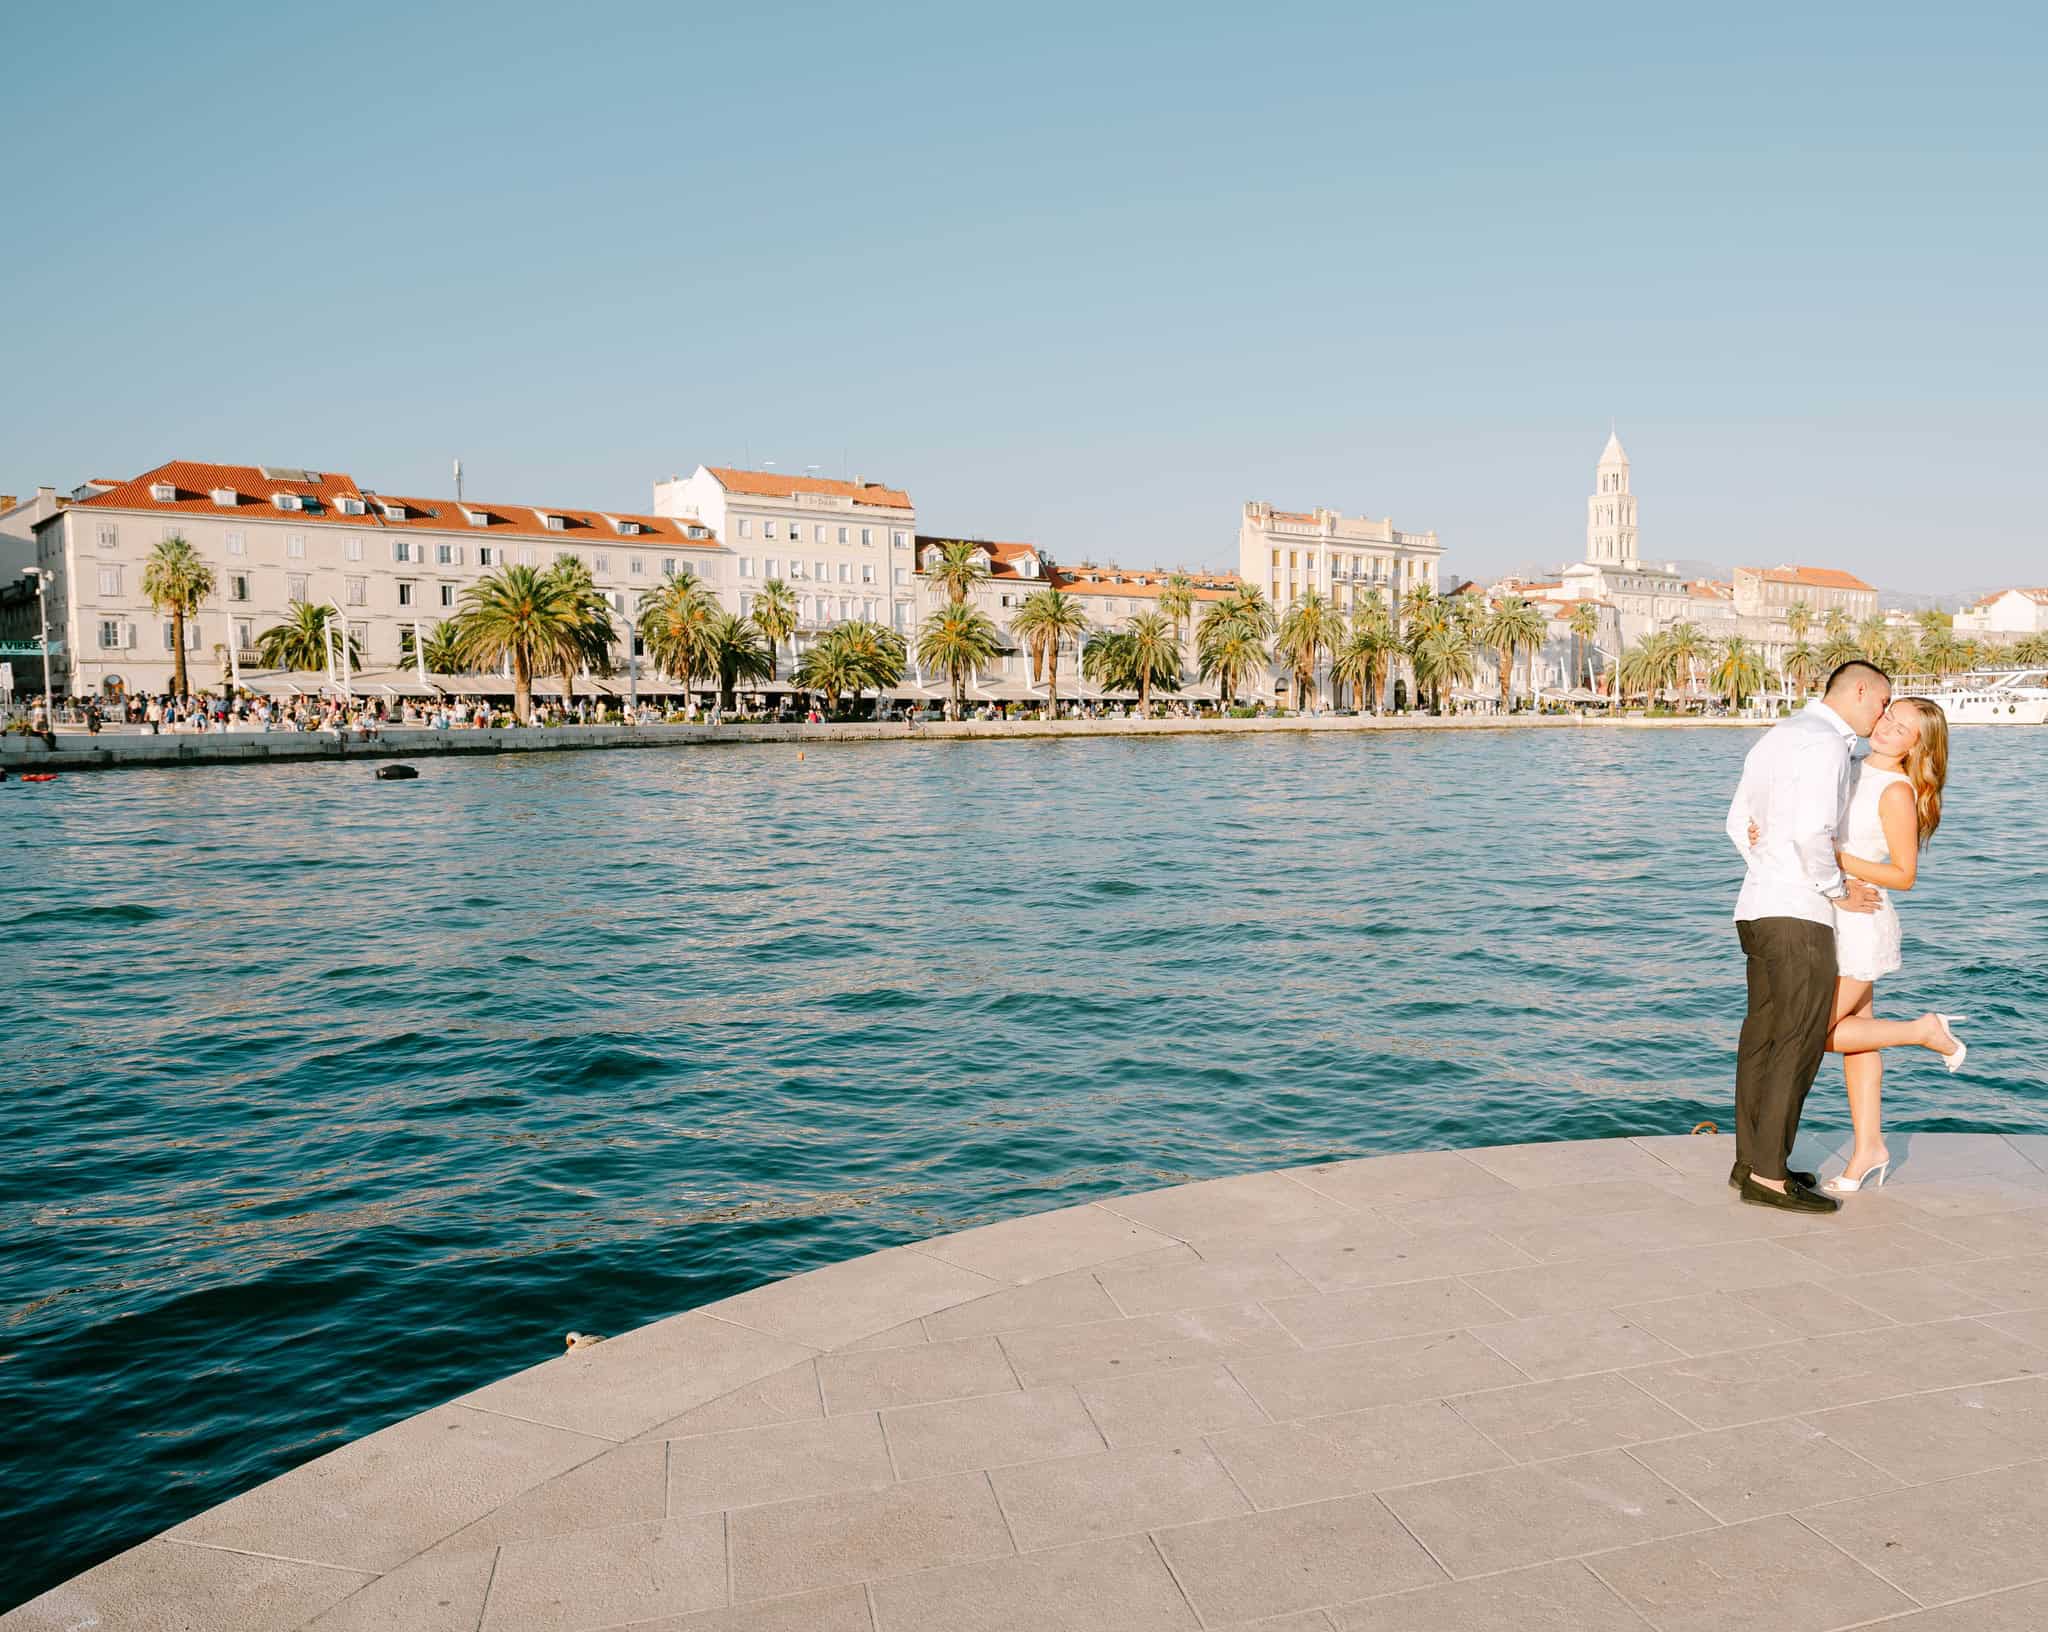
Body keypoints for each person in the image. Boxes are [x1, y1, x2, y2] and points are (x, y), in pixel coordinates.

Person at [1750, 696, 1963, 1192]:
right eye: (1890, 715)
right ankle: (1869, 1147)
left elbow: (1903, 875)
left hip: (1861, 922)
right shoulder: (1843, 763)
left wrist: (1837, 859)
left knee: (1813, 1035)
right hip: (1831, 912)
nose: (1888, 727)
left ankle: (1923, 1030)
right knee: (1860, 1036)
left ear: (1917, 746)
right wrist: (1765, 830)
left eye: (1903, 728)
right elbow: (1803, 822)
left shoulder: (1896, 790)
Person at [1722, 660, 1892, 1214]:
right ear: (1860, 690)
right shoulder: (1826, 744)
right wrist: (1835, 889)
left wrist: (1769, 865)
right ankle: (1769, 1177)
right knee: (1797, 1043)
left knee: (1762, 1041)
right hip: (1799, 915)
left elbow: (1736, 823)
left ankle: (1751, 1162)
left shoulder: (1779, 735)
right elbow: (1811, 830)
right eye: (1882, 702)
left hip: (1756, 907)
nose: (1882, 714)